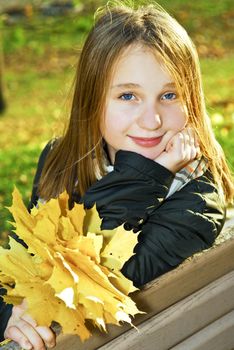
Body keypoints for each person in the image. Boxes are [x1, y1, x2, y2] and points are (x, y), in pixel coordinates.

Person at [1, 1, 233, 349]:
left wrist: (150, 173)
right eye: (128, 96)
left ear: (192, 102)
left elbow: (89, 277)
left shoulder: (196, 203)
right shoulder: (61, 162)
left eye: (169, 95)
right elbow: (24, 266)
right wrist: (9, 317)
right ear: (92, 101)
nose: (152, 119)